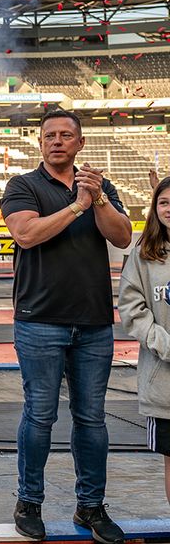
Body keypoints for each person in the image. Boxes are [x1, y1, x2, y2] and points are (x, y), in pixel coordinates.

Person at [1, 109, 132, 543]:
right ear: (40, 143)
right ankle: (29, 501)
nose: (57, 141)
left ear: (80, 143)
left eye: (66, 135)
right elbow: (26, 235)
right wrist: (77, 205)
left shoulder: (100, 187)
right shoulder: (23, 185)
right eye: (49, 135)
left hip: (94, 322)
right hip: (40, 320)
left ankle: (91, 506)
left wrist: (97, 199)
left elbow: (123, 236)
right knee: (40, 415)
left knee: (92, 420)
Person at [119, 176, 170, 509]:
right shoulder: (145, 254)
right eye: (164, 202)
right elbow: (132, 309)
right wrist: (165, 344)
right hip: (164, 385)